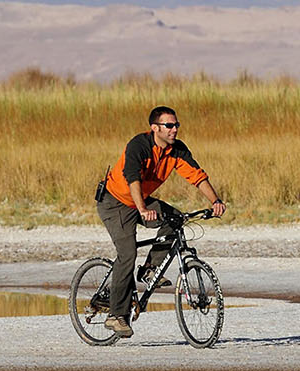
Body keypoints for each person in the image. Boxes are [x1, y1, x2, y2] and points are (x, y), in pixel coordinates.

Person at [95, 106, 227, 339]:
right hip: (115, 202)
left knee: (175, 220)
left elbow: (197, 175)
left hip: (141, 201)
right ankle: (116, 315)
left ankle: (150, 269)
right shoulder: (139, 145)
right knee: (127, 254)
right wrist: (143, 209)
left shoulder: (177, 150)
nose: (174, 129)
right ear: (154, 128)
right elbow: (132, 179)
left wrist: (215, 200)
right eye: (169, 126)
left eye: (176, 125)